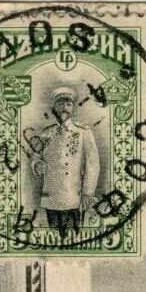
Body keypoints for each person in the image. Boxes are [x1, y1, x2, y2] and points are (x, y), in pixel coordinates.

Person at [31, 87, 99, 239]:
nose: (64, 108)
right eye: (60, 104)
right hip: (51, 196)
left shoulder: (83, 132)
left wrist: (88, 191)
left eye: (68, 104)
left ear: (73, 108)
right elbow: (36, 156)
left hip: (73, 195)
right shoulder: (46, 133)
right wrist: (37, 165)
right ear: (54, 107)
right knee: (54, 236)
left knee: (73, 237)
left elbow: (93, 164)